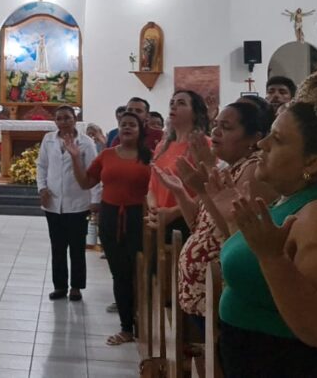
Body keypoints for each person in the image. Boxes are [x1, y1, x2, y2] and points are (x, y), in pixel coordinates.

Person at [219, 67, 317, 376]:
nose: (261, 144)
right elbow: (259, 277)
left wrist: (272, 258)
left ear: (312, 162)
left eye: (277, 140)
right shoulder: (289, 199)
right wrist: (229, 219)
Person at [153, 101, 275, 369]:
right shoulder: (227, 168)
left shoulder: (253, 172)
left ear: (254, 139)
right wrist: (181, 191)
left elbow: (239, 235)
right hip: (205, 294)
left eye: (227, 127)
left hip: (224, 288)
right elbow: (199, 223)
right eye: (216, 125)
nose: (216, 132)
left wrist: (206, 181)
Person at [68, 111, 151, 345]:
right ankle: (126, 328)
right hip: (111, 217)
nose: (127, 128)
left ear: (139, 129)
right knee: (120, 273)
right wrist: (75, 158)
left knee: (140, 273)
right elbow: (86, 182)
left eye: (132, 125)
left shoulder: (148, 157)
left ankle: (143, 323)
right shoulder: (106, 155)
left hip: (138, 218)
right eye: (123, 124)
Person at [37, 105, 100, 302]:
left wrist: (95, 199)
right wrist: (42, 188)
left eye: (67, 118)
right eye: (59, 118)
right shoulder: (48, 139)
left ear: (74, 119)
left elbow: (93, 172)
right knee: (57, 247)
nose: (63, 121)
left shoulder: (86, 142)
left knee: (76, 248)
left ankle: (76, 287)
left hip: (77, 202)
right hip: (53, 203)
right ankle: (60, 286)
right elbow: (42, 165)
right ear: (55, 121)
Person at [148, 90, 210, 239]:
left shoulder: (203, 144)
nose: (173, 107)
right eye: (172, 103)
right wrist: (154, 210)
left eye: (181, 103)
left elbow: (208, 190)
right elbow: (152, 185)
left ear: (195, 113)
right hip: (160, 219)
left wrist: (172, 212)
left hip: (186, 219)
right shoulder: (162, 146)